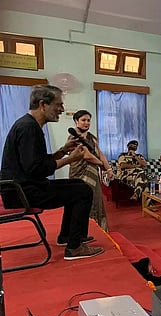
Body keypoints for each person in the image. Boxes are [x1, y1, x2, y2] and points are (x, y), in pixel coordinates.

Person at [0, 84, 104, 260]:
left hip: (23, 187)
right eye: (58, 105)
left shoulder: (29, 125)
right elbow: (37, 169)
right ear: (43, 105)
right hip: (22, 193)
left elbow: (35, 162)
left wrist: (62, 151)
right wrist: (70, 159)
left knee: (79, 185)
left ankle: (67, 236)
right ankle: (75, 247)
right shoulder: (29, 128)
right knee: (83, 191)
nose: (62, 109)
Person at [68, 110, 112, 231]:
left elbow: (100, 153)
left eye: (88, 120)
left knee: (95, 199)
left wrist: (108, 169)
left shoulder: (91, 137)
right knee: (83, 202)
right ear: (76, 121)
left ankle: (97, 229)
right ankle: (83, 231)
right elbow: (86, 155)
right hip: (79, 174)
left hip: (92, 173)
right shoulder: (73, 137)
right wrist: (101, 165)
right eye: (83, 120)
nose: (86, 123)